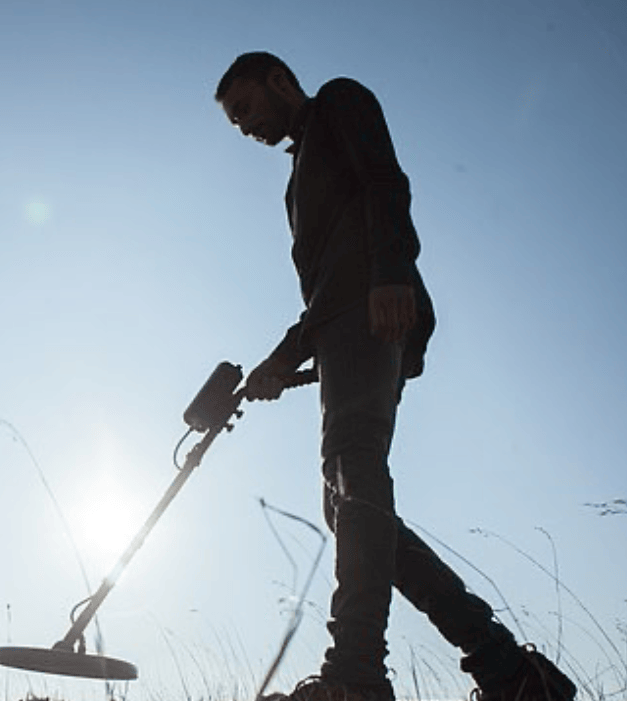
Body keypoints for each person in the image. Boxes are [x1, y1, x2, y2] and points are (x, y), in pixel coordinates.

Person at [214, 51, 577, 701]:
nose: (241, 125)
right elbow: (324, 288)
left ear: (276, 80)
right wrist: (278, 360)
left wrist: (389, 274)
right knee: (350, 503)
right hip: (340, 330)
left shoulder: (338, 102)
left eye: (244, 107)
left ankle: (355, 672)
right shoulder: (295, 178)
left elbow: (384, 181)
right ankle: (506, 669)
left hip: (373, 315)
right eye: (233, 119)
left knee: (354, 483)